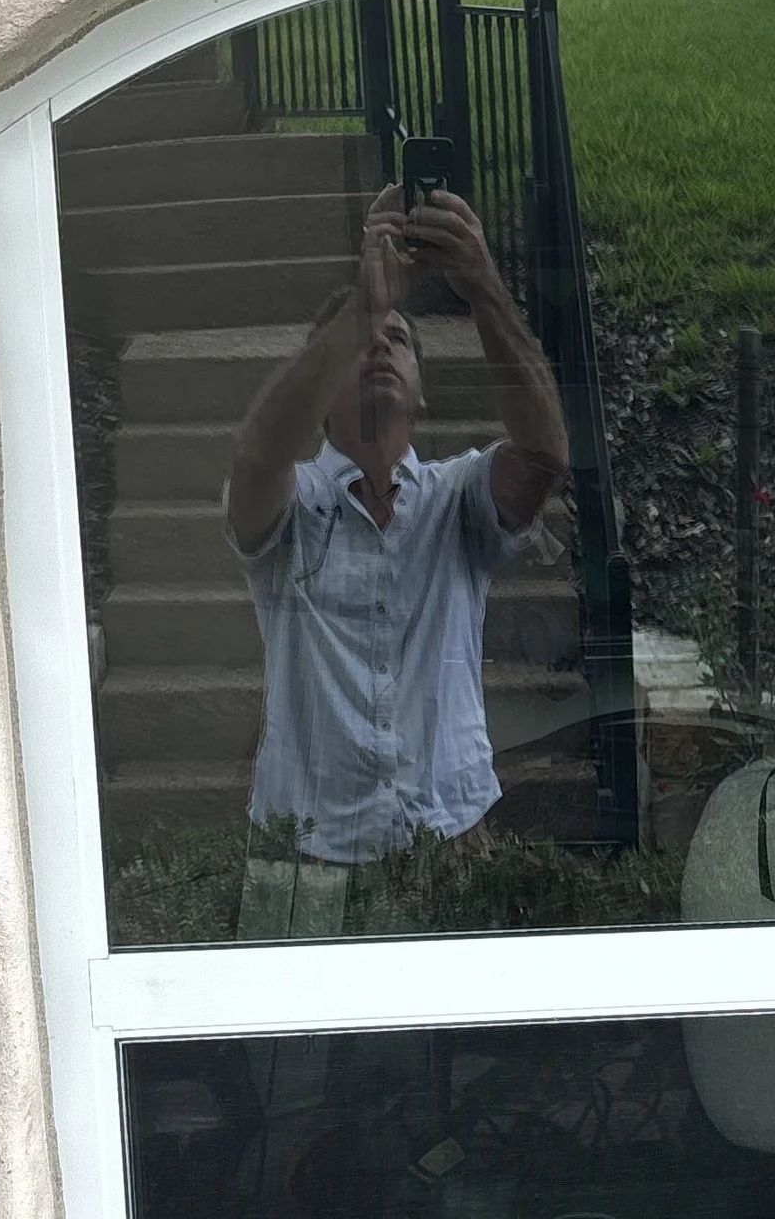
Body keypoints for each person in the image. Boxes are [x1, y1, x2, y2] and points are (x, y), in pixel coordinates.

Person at [226, 183, 570, 922]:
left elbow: (544, 454)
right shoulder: (292, 505)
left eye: (397, 340)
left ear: (423, 392)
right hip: (306, 861)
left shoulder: (457, 499)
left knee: (462, 1041)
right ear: (319, 395)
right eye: (358, 344)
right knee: (301, 1043)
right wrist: (363, 307)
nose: (378, 347)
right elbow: (257, 457)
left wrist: (480, 281)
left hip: (451, 840)